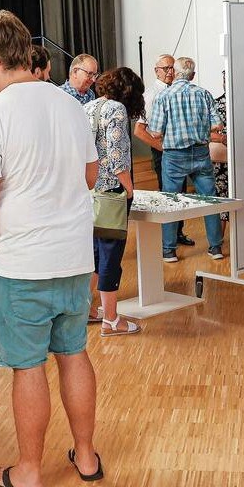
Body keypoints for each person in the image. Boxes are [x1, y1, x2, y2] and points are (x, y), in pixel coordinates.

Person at [0, 10, 102, 487]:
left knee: (29, 368)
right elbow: (90, 176)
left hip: (22, 266)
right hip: (74, 259)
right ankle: (86, 455)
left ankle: (29, 472)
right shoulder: (70, 106)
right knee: (74, 355)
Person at [85, 68, 145, 336]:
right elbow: (116, 154)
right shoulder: (117, 110)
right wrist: (129, 188)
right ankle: (111, 320)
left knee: (94, 254)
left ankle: (87, 309)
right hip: (111, 191)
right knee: (111, 255)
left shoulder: (88, 107)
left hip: (89, 190)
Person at [147, 57, 224, 262]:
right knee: (210, 200)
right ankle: (215, 247)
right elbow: (218, 125)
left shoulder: (163, 96)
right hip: (201, 153)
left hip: (173, 156)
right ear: (193, 75)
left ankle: (169, 250)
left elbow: (155, 132)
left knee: (171, 201)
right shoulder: (203, 94)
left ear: (175, 73)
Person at [134, 54, 194, 246]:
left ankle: (177, 234)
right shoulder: (151, 95)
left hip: (180, 151)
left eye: (172, 68)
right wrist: (164, 149)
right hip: (164, 152)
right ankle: (168, 240)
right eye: (165, 68)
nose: (170, 72)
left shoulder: (177, 91)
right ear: (156, 71)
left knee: (181, 195)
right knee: (169, 196)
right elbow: (139, 130)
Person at [211, 69, 230, 231]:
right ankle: (218, 240)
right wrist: (223, 138)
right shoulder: (214, 104)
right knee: (221, 198)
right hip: (220, 160)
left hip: (242, 159)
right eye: (225, 79)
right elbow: (203, 132)